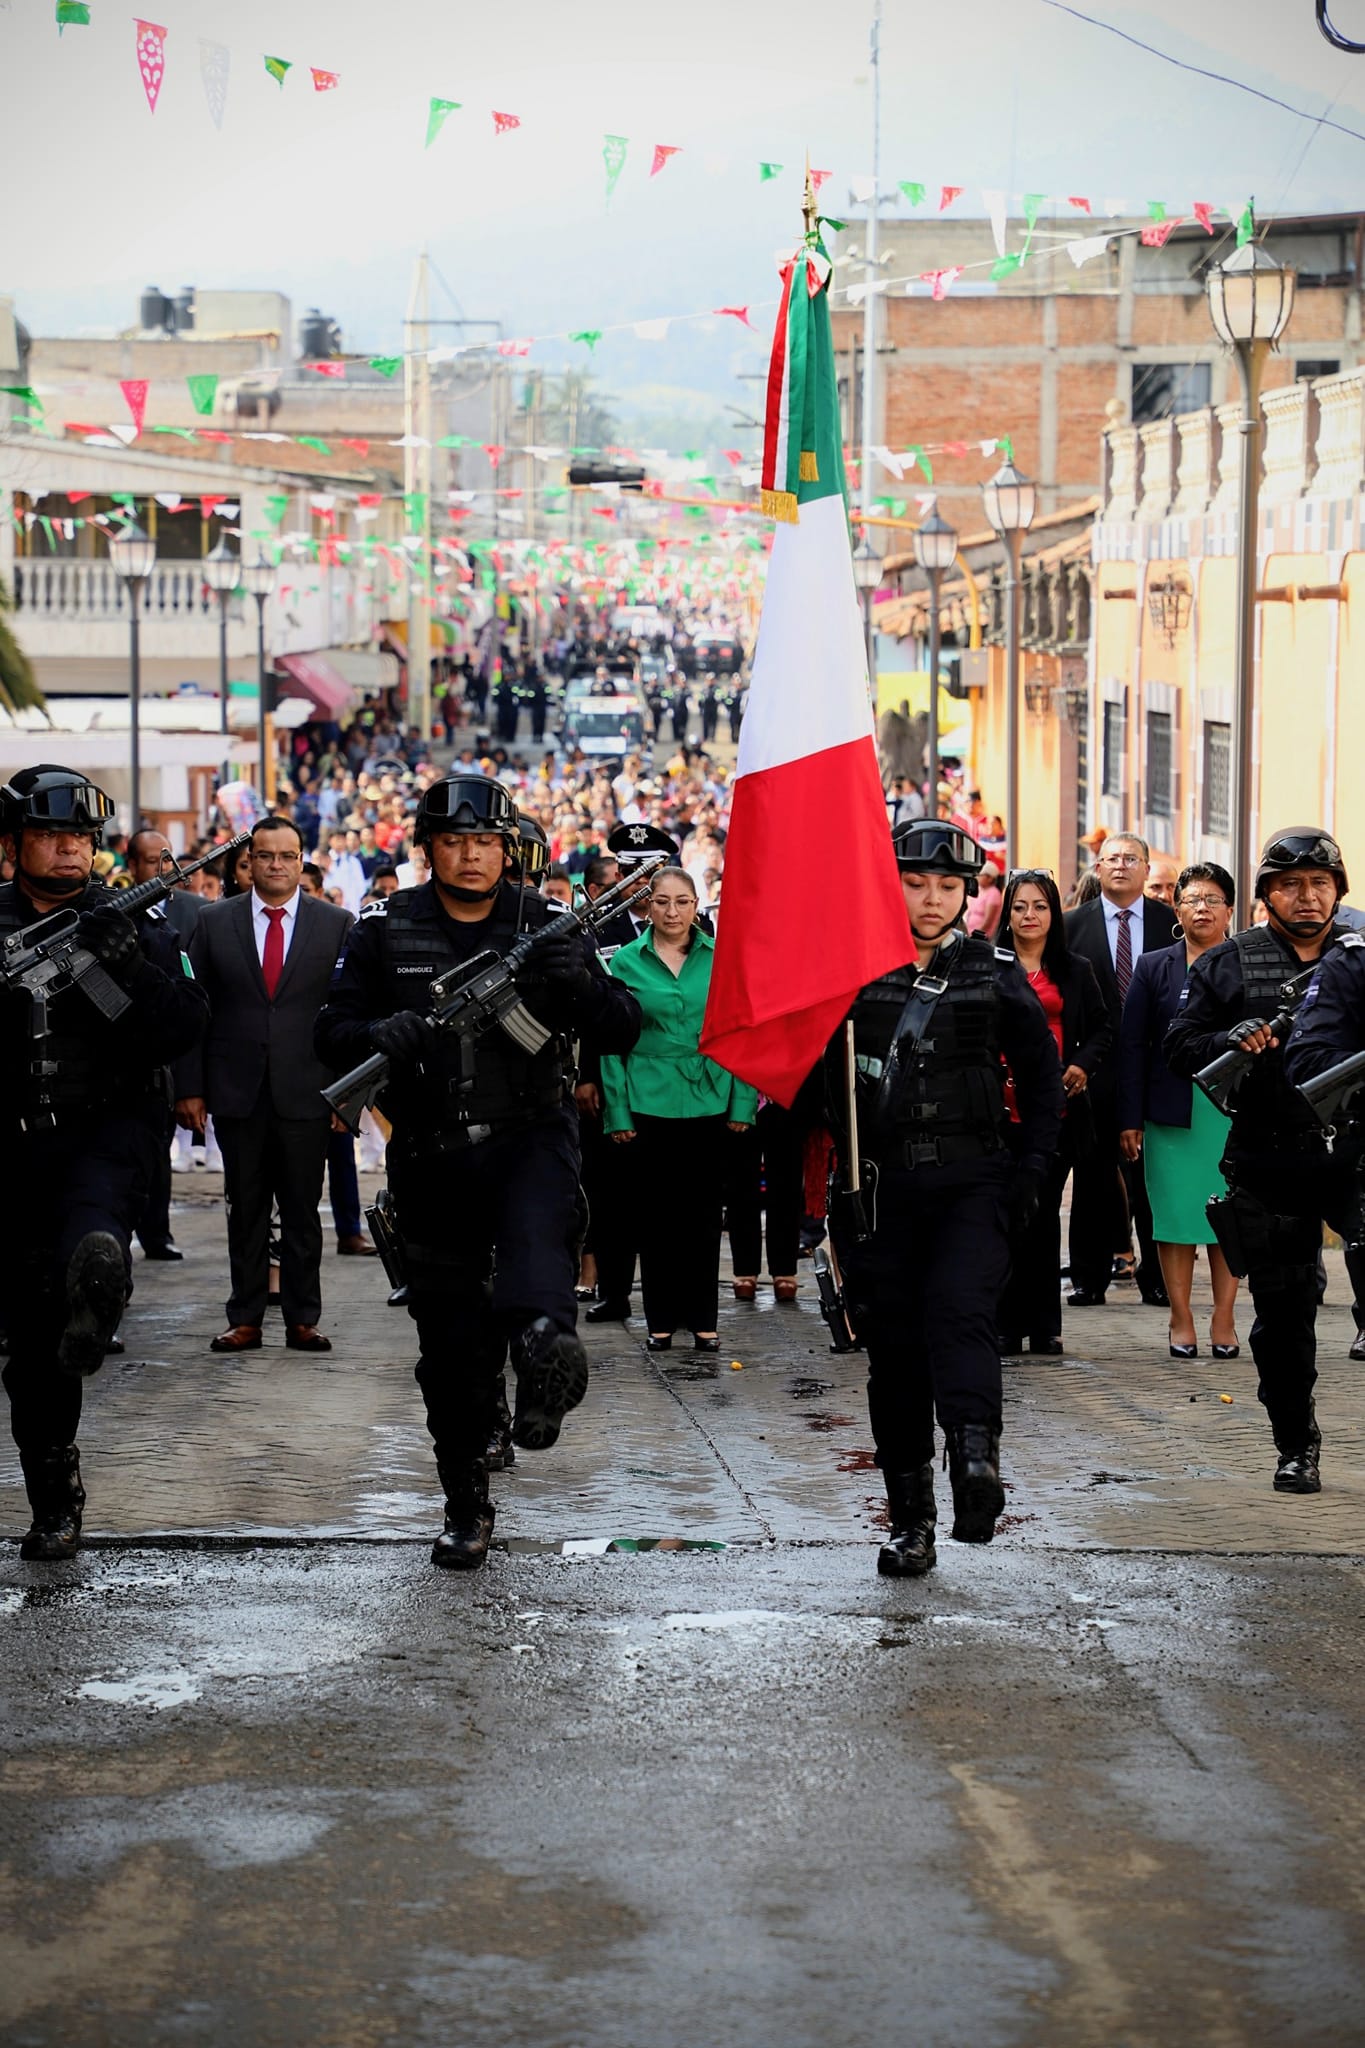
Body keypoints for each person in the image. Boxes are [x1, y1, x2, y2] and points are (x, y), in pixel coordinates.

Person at [314, 774, 641, 1570]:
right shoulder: (385, 928)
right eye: (454, 842)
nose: (471, 856)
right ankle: (466, 1502)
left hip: (530, 1133)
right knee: (450, 1350)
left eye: (486, 842)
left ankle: (542, 1360)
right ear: (427, 848)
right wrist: (376, 1035)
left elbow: (622, 1026)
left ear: (508, 849)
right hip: (429, 1149)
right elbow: (330, 1029)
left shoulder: (549, 923)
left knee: (538, 1257)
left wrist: (580, 982)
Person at [829, 821, 1064, 1576]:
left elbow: (1039, 1080)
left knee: (961, 1317)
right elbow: (808, 1091)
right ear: (888, 885)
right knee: (893, 1354)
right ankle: (910, 1521)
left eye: (947, 886)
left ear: (969, 895)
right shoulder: (848, 973)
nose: (931, 899)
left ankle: (974, 1464)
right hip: (881, 1187)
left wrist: (1030, 1173)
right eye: (915, 882)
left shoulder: (993, 973)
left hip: (973, 1180)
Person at [0, 766, 208, 1559]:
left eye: (82, 839)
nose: (70, 851)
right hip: (13, 1145)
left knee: (91, 1240)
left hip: (104, 1135)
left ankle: (103, 1280)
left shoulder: (131, 924)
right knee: (32, 1346)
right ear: (13, 845)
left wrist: (128, 965)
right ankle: (55, 1496)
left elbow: (185, 1023)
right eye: (53, 836)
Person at [1167, 829, 1360, 1494]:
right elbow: (1179, 1045)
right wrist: (1229, 1039)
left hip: (1353, 1151)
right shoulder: (1228, 963)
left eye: (1318, 883)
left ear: (1338, 890)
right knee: (1283, 1315)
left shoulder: (1358, 956)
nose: (1306, 897)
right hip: (1268, 1156)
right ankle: (1294, 1444)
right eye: (1289, 885)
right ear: (1265, 895)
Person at [173, 816, 354, 1354]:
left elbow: (351, 1015)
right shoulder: (212, 922)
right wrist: (190, 1087)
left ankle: (303, 1319)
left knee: (302, 1211)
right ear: (248, 862)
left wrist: (348, 1093)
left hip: (309, 1090)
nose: (276, 865)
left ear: (301, 862)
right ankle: (245, 1317)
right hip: (237, 1091)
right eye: (266, 856)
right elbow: (193, 1011)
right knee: (245, 1207)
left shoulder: (337, 923)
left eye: (287, 856)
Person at [600, 867, 757, 1351]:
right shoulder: (624, 962)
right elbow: (610, 1044)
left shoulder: (722, 959)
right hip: (647, 1098)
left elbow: (741, 1032)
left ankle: (704, 1320)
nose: (672, 912)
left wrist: (743, 1102)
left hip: (711, 1095)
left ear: (696, 906)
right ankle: (661, 1320)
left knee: (705, 1216)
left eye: (682, 902)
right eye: (662, 901)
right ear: (646, 905)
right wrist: (617, 1113)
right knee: (656, 1217)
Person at [1118, 864, 1240, 1358]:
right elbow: (1131, 1045)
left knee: (1228, 1218)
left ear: (1230, 908)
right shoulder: (1153, 966)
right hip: (1169, 1111)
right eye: (1192, 899)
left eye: (1212, 899)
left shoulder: (1247, 963)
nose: (1202, 908)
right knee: (1174, 1219)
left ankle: (1226, 1318)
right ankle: (1181, 1316)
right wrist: (1129, 1117)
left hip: (1231, 1113)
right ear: (1177, 909)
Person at [994, 867, 1111, 1354]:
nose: (1029, 915)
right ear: (1007, 912)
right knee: (1004, 1216)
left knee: (1042, 1217)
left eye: (1039, 906)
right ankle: (1004, 1324)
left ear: (1053, 913)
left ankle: (1044, 1326)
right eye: (1019, 906)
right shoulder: (988, 964)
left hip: (1055, 1110)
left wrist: (1082, 1065)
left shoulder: (1074, 968)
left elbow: (1105, 1028)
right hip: (998, 1110)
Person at [1064, 833, 1176, 1307]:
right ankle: (1089, 1277)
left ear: (1147, 869)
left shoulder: (1172, 923)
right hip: (1094, 1069)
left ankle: (1157, 1278)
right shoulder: (1071, 926)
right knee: (1092, 1175)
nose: (1121, 866)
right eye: (1111, 858)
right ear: (1098, 867)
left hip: (1155, 1066)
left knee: (1153, 1176)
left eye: (1131, 859)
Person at [124, 829, 202, 1265]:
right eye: (150, 860)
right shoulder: (111, 913)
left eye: (165, 858)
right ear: (132, 865)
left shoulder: (192, 912)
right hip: (122, 1051)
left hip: (169, 1052)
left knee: (159, 1152)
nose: (160, 868)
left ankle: (157, 1232)